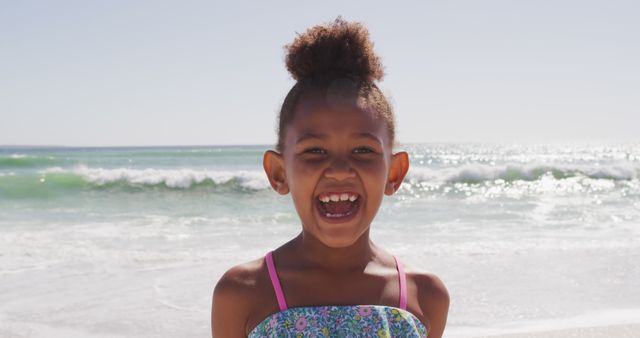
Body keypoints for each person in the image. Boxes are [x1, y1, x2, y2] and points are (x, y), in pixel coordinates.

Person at [212, 17, 449, 337]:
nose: (339, 170)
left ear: (394, 172)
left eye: (363, 151)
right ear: (279, 173)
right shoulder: (243, 292)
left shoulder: (425, 296)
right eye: (315, 151)